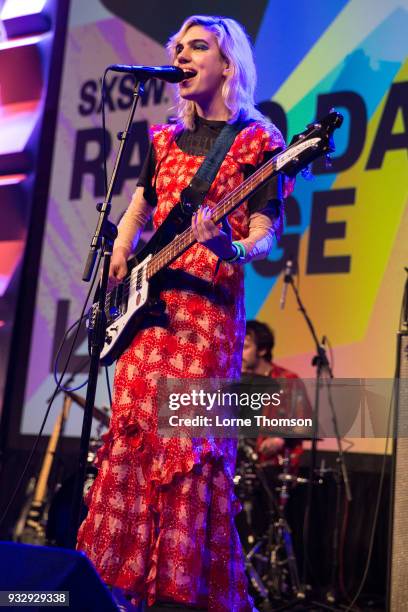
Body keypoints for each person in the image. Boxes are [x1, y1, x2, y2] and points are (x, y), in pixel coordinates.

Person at [77, 15, 293, 611]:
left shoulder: (259, 140)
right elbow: (141, 207)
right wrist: (122, 249)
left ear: (229, 65)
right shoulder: (164, 138)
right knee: (135, 440)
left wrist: (231, 247)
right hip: (150, 317)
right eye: (179, 48)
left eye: (199, 47)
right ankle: (121, 589)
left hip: (207, 320)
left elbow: (264, 230)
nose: (184, 55)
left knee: (188, 450)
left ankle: (180, 593)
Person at [242, 320, 312, 466]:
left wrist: (280, 439)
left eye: (245, 347)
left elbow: (305, 422)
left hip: (270, 466)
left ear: (262, 350)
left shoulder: (287, 380)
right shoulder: (232, 377)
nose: (239, 353)